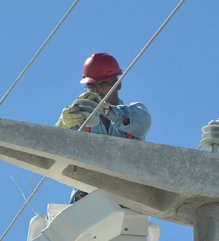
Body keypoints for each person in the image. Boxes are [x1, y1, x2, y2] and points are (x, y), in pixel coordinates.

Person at [56, 52, 151, 202]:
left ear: (118, 84)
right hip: (86, 202)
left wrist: (107, 110)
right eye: (91, 86)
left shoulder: (134, 112)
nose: (97, 91)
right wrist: (62, 124)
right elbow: (53, 146)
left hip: (128, 200)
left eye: (103, 84)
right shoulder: (77, 118)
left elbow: (142, 124)